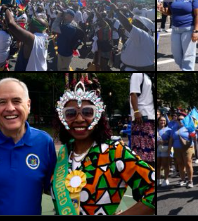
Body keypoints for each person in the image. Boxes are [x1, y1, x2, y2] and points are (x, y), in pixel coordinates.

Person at [53, 80, 155, 215]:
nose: (79, 119)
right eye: (70, 113)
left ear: (98, 116)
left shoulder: (115, 151)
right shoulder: (64, 153)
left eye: (87, 112)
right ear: (62, 117)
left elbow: (154, 189)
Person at [0, 78, 56, 215]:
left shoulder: (44, 142)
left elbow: (53, 188)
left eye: (16, 101)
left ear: (28, 105)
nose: (10, 108)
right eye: (2, 102)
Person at [158, 0, 198, 71]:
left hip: (189, 29)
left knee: (188, 56)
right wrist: (162, 10)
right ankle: (184, 69)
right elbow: (170, 12)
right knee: (176, 55)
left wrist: (196, 31)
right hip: (176, 29)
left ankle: (187, 71)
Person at [108, 2, 155, 71]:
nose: (133, 23)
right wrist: (120, 51)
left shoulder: (143, 35)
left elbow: (127, 24)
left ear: (143, 27)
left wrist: (116, 10)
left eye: (136, 22)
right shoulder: (137, 36)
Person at [2, 6, 49, 71]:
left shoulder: (33, 39)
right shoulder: (44, 36)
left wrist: (6, 9)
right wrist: (8, 28)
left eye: (29, 24)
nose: (28, 25)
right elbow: (18, 38)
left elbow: (11, 23)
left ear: (34, 27)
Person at [130, 73, 155, 165]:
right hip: (142, 116)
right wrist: (136, 111)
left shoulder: (149, 76)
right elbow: (133, 94)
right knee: (141, 149)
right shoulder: (137, 74)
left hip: (150, 115)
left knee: (150, 148)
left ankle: (150, 173)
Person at [170, 114, 195, 188]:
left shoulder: (189, 127)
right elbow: (171, 139)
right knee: (180, 164)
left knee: (188, 163)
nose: (180, 121)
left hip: (187, 148)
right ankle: (183, 179)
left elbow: (194, 137)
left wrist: (192, 133)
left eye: (182, 119)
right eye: (179, 119)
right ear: (177, 120)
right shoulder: (174, 128)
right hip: (177, 148)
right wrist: (169, 149)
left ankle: (190, 181)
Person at [157, 116, 171, 187]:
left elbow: (171, 140)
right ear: (158, 121)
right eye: (161, 120)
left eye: (164, 120)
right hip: (156, 149)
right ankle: (158, 179)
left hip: (165, 148)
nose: (162, 122)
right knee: (157, 165)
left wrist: (164, 141)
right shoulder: (155, 130)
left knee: (165, 165)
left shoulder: (169, 130)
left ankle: (166, 179)